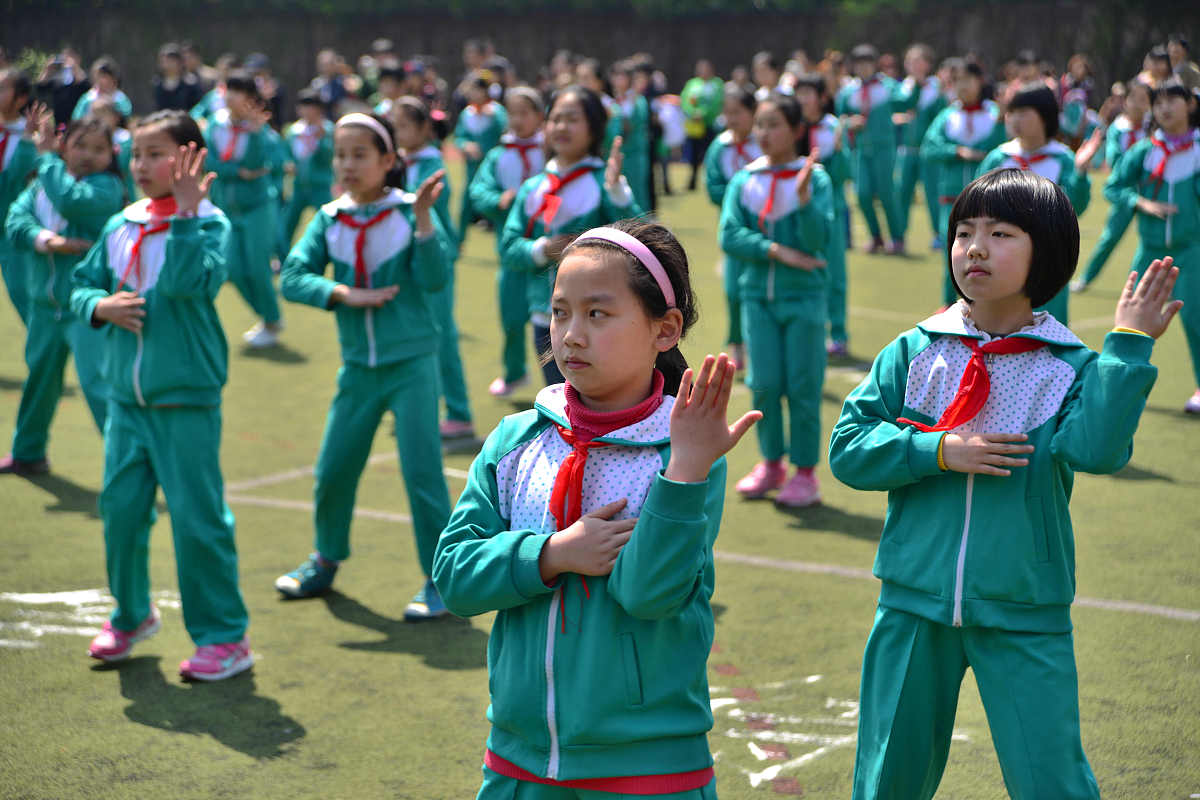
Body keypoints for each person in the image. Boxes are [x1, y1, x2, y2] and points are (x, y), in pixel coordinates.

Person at [829, 167, 1180, 800]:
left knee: (1050, 778)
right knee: (887, 777)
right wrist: (936, 450)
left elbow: (1098, 451)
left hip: (1024, 605)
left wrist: (1128, 346)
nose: (975, 248)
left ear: (1046, 251)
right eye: (963, 232)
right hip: (912, 601)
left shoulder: (1070, 366)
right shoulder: (914, 352)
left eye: (1001, 232)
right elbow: (849, 449)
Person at [433, 218, 759, 797]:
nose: (570, 335)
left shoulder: (682, 450)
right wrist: (551, 554)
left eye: (597, 314)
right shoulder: (515, 441)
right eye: (560, 312)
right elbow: (455, 578)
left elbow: (649, 595)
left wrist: (685, 472)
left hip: (649, 765)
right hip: (518, 758)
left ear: (666, 329)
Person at [71, 110, 252, 681]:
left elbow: (184, 284)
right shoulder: (120, 222)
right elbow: (82, 283)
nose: (142, 165)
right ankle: (131, 614)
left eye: (156, 154)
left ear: (192, 159)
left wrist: (187, 215)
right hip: (125, 401)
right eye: (137, 154)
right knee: (120, 511)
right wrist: (99, 306)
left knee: (199, 521)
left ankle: (225, 637)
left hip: (186, 400)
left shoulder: (212, 223)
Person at [274, 112, 456, 619]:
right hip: (357, 370)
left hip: (412, 364)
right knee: (333, 471)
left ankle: (440, 580)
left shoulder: (409, 211)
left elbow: (437, 278)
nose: (347, 164)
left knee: (422, 474)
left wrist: (423, 221)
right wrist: (342, 294)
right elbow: (292, 276)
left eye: (360, 154)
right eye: (340, 154)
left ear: (388, 161)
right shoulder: (330, 217)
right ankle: (324, 560)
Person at [719, 92, 834, 507]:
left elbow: (820, 240)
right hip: (757, 298)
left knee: (804, 386)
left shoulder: (815, 180)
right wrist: (775, 251)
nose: (764, 134)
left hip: (804, 299)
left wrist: (803, 202)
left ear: (796, 131)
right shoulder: (744, 179)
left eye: (774, 125)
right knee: (764, 385)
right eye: (760, 125)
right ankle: (771, 464)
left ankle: (805, 473)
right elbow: (728, 235)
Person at [0, 113, 124, 475]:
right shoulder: (42, 185)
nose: (87, 155)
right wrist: (49, 241)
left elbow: (72, 201)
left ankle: (129, 462)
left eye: (98, 149)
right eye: (79, 145)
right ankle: (28, 452)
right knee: (39, 380)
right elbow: (15, 223)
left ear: (110, 156)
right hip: (43, 307)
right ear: (65, 145)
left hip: (87, 307)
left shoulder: (107, 188)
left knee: (97, 383)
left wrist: (47, 158)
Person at [499, 85, 641, 387]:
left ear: (593, 127)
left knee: (602, 401)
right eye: (556, 118)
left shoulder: (604, 181)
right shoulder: (534, 187)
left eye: (573, 119)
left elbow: (639, 239)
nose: (562, 126)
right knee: (560, 405)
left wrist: (617, 191)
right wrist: (542, 249)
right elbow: (509, 246)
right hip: (546, 317)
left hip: (602, 316)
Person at [1104, 78, 1200, 413]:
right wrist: (1140, 202)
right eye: (1157, 102)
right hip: (1150, 250)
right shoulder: (1144, 150)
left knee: (1195, 320)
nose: (1164, 108)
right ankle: (1118, 388)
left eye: (1173, 100)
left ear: (1190, 104)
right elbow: (1113, 186)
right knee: (1131, 318)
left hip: (1192, 250)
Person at [976, 85, 1100, 324]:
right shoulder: (999, 157)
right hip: (1000, 257)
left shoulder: (1062, 159)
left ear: (1045, 116)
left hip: (1048, 259)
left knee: (1048, 331)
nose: (1014, 119)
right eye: (1012, 112)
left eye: (1023, 112)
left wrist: (1081, 173)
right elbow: (977, 207)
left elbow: (1075, 207)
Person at [394, 96, 474, 439]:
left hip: (435, 256)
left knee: (442, 334)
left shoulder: (430, 164)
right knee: (411, 330)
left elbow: (420, 201)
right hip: (408, 258)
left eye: (403, 127)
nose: (397, 133)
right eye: (393, 127)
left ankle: (459, 413)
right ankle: (414, 404)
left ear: (425, 129)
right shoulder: (400, 161)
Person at [468, 86, 546, 398]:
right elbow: (478, 191)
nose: (517, 120)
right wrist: (500, 200)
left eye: (524, 113)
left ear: (540, 116)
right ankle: (515, 372)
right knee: (512, 317)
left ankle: (561, 384)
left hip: (549, 251)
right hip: (511, 252)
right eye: (512, 113)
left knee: (552, 320)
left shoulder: (551, 151)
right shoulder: (499, 155)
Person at [203, 70, 283, 347]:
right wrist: (237, 171)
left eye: (240, 93)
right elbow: (210, 163)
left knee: (259, 268)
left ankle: (272, 321)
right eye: (230, 90)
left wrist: (257, 133)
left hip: (258, 206)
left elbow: (261, 165)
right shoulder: (215, 124)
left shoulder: (261, 131)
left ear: (252, 100)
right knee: (233, 269)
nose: (232, 98)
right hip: (227, 208)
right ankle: (266, 316)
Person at [921, 62, 1007, 307]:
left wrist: (1000, 124)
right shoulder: (948, 115)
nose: (963, 86)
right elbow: (929, 147)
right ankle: (948, 305)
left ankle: (984, 303)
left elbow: (1003, 147)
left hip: (988, 200)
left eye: (968, 80)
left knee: (986, 253)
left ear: (980, 82)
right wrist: (956, 151)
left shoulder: (993, 113)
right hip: (951, 199)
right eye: (957, 81)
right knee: (953, 251)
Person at [702, 84, 762, 371]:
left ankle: (760, 343)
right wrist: (738, 195)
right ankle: (737, 343)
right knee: (733, 290)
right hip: (734, 229)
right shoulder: (720, 146)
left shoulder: (763, 143)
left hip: (765, 226)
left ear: (753, 113)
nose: (732, 119)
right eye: (727, 113)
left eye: (738, 113)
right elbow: (713, 186)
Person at [1073, 79, 1152, 293]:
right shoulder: (1119, 127)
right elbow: (1115, 157)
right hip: (1125, 190)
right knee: (1110, 237)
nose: (1137, 104)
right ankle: (1086, 278)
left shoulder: (1152, 128)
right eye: (1133, 98)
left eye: (1143, 100)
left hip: (1151, 190)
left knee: (1155, 239)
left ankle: (1148, 286)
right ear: (1125, 101)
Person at [797, 73, 853, 357]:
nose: (804, 99)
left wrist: (840, 151)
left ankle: (839, 334)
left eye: (809, 93)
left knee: (835, 275)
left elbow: (845, 173)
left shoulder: (832, 127)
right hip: (798, 211)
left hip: (831, 210)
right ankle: (808, 332)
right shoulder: (792, 126)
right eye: (800, 93)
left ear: (821, 97)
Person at [836, 44, 904, 254]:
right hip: (860, 150)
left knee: (886, 193)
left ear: (874, 64)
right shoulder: (848, 91)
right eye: (859, 64)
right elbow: (840, 119)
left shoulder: (889, 86)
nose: (863, 68)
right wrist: (849, 123)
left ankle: (897, 238)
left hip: (884, 148)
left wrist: (917, 83)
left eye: (867, 63)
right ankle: (875, 236)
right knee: (862, 194)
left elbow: (906, 101)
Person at [893, 44, 947, 249]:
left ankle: (938, 234)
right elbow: (897, 107)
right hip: (906, 151)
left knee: (933, 194)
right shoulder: (903, 87)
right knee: (902, 193)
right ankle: (898, 236)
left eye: (918, 60)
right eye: (909, 61)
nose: (912, 65)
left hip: (928, 153)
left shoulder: (936, 90)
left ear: (927, 63)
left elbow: (941, 120)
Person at [0, 71, 37, 325]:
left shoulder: (34, 137)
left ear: (21, 98)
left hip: (11, 231)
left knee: (22, 293)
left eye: (3, 89)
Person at [279, 89, 334, 257]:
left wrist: (322, 140)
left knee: (330, 223)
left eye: (311, 107)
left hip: (321, 185)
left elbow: (330, 156)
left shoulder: (328, 130)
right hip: (298, 185)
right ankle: (282, 258)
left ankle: (332, 254)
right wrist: (287, 163)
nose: (307, 111)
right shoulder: (294, 131)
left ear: (319, 110)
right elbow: (285, 152)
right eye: (304, 107)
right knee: (286, 224)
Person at [454, 71, 508, 240]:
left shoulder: (497, 113)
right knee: (465, 207)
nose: (472, 93)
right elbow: (459, 136)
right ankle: (458, 244)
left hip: (493, 169)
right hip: (471, 168)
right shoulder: (467, 113)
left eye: (476, 89)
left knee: (497, 207)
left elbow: (506, 134)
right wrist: (465, 145)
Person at [609, 60, 652, 213]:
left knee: (638, 193)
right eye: (615, 76)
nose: (617, 80)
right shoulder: (611, 102)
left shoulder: (637, 100)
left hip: (635, 154)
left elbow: (638, 121)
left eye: (621, 76)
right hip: (617, 153)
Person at [680, 59, 723, 191]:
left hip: (709, 125)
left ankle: (712, 181)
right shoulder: (692, 84)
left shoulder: (717, 84)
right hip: (694, 127)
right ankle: (692, 182)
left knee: (711, 153)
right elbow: (684, 101)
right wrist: (693, 113)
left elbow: (717, 103)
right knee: (693, 155)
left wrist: (703, 114)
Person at [91, 97, 137, 202]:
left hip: (124, 191)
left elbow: (123, 165)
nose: (97, 118)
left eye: (102, 114)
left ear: (115, 117)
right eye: (94, 114)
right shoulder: (91, 140)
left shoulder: (125, 139)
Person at [153, 43, 203, 112]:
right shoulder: (157, 84)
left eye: (171, 61)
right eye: (164, 61)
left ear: (180, 63)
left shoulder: (190, 84)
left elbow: (197, 108)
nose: (167, 65)